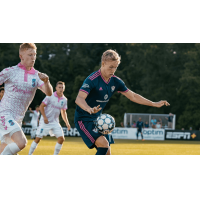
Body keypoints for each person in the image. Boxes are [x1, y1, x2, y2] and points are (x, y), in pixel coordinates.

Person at [74, 49, 170, 155]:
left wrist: (153, 103)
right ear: (103, 63)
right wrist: (89, 109)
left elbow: (133, 96)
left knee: (107, 152)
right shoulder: (92, 79)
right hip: (83, 119)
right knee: (104, 145)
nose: (113, 70)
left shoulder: (116, 81)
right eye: (111, 67)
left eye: (115, 67)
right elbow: (79, 99)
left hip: (98, 120)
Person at [0, 43, 53, 155]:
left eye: (34, 54)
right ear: (21, 56)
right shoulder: (10, 71)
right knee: (22, 143)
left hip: (17, 119)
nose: (33, 57)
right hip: (4, 114)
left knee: (8, 150)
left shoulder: (37, 76)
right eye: (30, 54)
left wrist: (46, 82)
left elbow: (49, 93)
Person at [28, 81, 71, 155]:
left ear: (64, 89)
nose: (61, 89)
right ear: (56, 88)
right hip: (45, 121)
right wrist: (44, 117)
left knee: (61, 139)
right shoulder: (50, 96)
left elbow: (63, 112)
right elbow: (41, 106)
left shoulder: (64, 100)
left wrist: (67, 123)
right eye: (59, 87)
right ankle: (29, 155)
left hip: (55, 122)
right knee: (38, 139)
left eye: (62, 87)